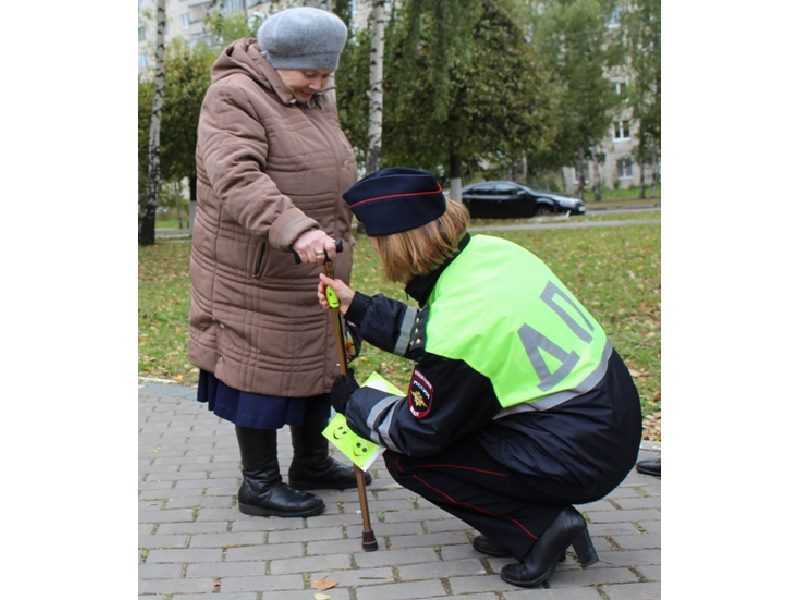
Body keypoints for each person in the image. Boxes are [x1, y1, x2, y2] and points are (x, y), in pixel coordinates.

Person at [318, 168, 642, 588]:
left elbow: (416, 431)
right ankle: (518, 520)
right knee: (460, 430)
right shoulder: (489, 254)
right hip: (606, 420)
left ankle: (540, 527)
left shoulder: (460, 326)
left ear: (399, 247)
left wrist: (353, 402)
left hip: (581, 451)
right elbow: (437, 331)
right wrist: (357, 307)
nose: (378, 254)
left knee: (411, 460)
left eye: (378, 244)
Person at [188, 6, 370, 520]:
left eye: (326, 73)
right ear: (275, 60)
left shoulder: (312, 97)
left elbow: (326, 163)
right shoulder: (234, 97)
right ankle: (259, 485)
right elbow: (238, 178)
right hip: (259, 268)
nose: (319, 83)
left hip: (314, 264)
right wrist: (298, 228)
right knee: (261, 374)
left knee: (319, 363)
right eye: (309, 72)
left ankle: (311, 462)